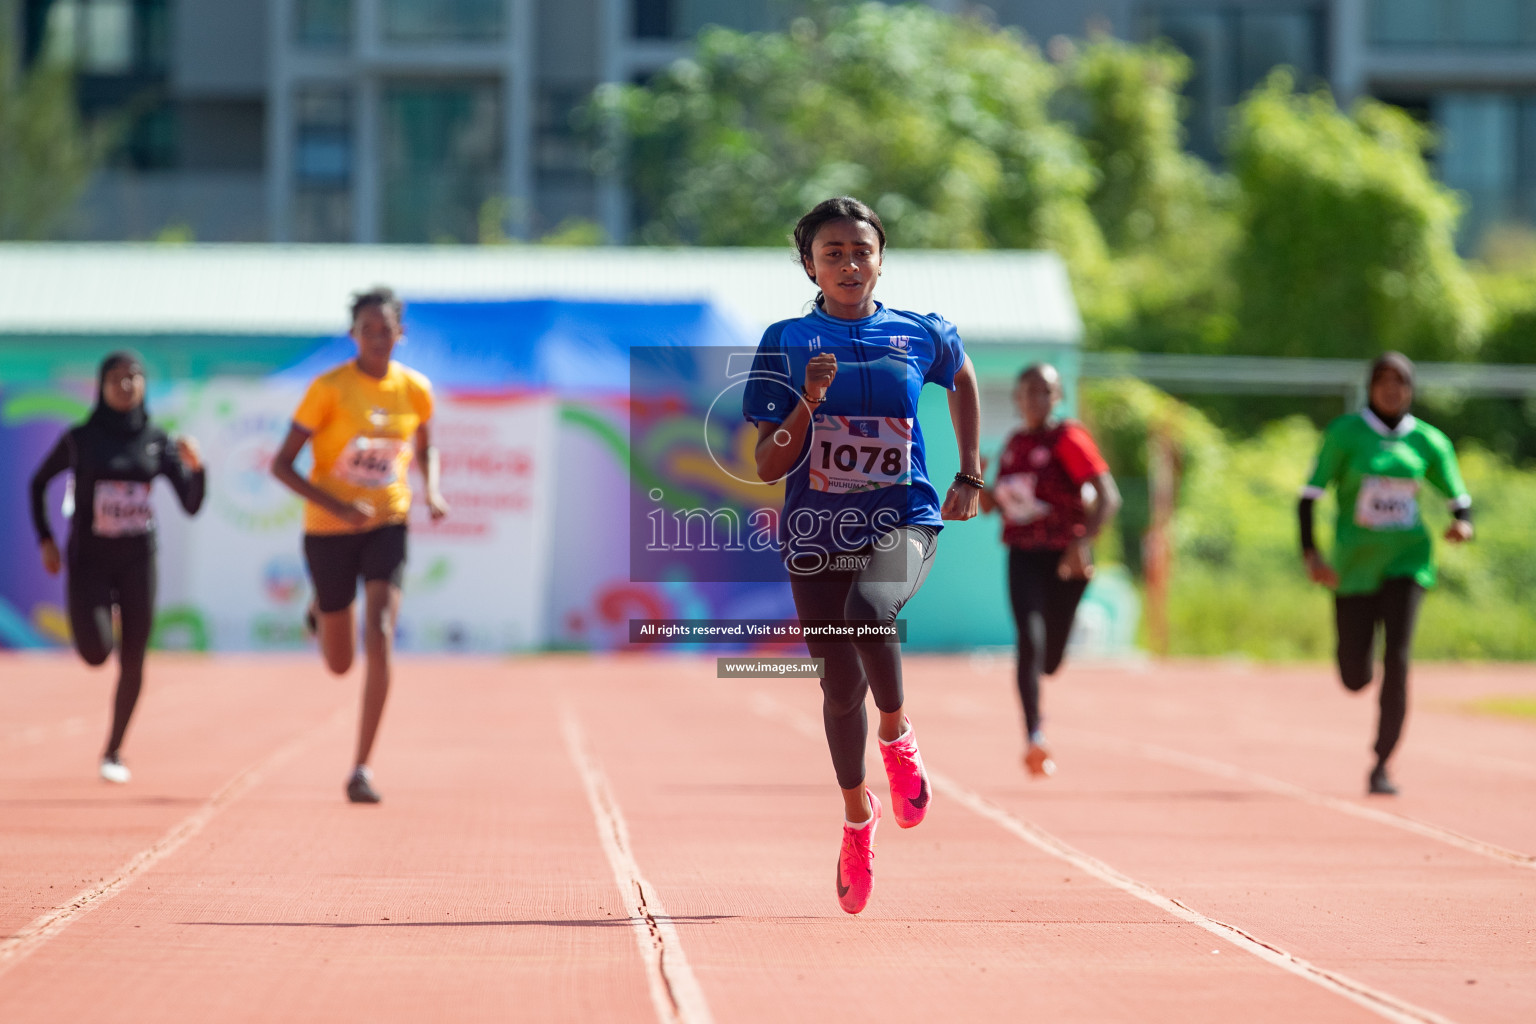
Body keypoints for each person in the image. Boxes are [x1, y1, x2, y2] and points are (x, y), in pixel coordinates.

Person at [744, 196, 981, 914]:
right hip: (816, 531)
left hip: (903, 516)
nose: (849, 263)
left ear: (881, 257)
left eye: (860, 250)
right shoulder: (785, 340)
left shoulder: (922, 333)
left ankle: (898, 734)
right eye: (832, 253)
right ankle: (856, 818)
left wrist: (969, 472)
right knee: (838, 687)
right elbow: (763, 465)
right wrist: (808, 404)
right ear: (809, 264)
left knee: (871, 609)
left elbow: (963, 378)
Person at [271, 287, 448, 804]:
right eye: (366, 329)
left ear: (401, 333)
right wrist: (339, 506)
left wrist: (432, 488)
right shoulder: (327, 389)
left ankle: (362, 767)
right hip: (329, 528)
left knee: (383, 630)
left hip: (387, 520)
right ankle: (321, 612)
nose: (376, 337)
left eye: (385, 328)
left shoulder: (415, 390)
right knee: (340, 662)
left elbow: (426, 446)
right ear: (353, 335)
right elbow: (281, 465)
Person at [1299, 352, 1472, 796]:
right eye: (1383, 381)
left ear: (1411, 389)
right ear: (1370, 387)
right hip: (1353, 567)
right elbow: (1308, 497)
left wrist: (1462, 524)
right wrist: (1312, 555)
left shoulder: (1428, 441)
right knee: (1355, 675)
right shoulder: (1346, 434)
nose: (1392, 390)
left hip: (1408, 563)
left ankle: (1382, 762)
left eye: (1401, 382)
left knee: (1397, 660)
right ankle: (1357, 667)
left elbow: (1458, 498)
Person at [29, 351, 207, 783]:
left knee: (134, 656)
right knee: (96, 653)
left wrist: (197, 468)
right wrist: (47, 541)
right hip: (89, 559)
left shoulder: (157, 440)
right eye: (116, 379)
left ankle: (114, 750)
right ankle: (96, 623)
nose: (125, 386)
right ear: (101, 385)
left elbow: (190, 504)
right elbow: (37, 484)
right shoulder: (81, 438)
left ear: (144, 385)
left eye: (133, 378)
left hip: (137, 560)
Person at [978, 363, 1120, 778]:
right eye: (1028, 392)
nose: (1036, 399)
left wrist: (1082, 542)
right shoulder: (1014, 444)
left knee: (1050, 659)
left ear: (1056, 398)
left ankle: (1041, 690)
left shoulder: (1069, 438)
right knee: (1029, 641)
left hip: (1065, 559)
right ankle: (1034, 737)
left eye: (1045, 392)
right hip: (1023, 553)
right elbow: (993, 506)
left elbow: (1109, 498)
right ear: (1018, 399)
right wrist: (977, 479)